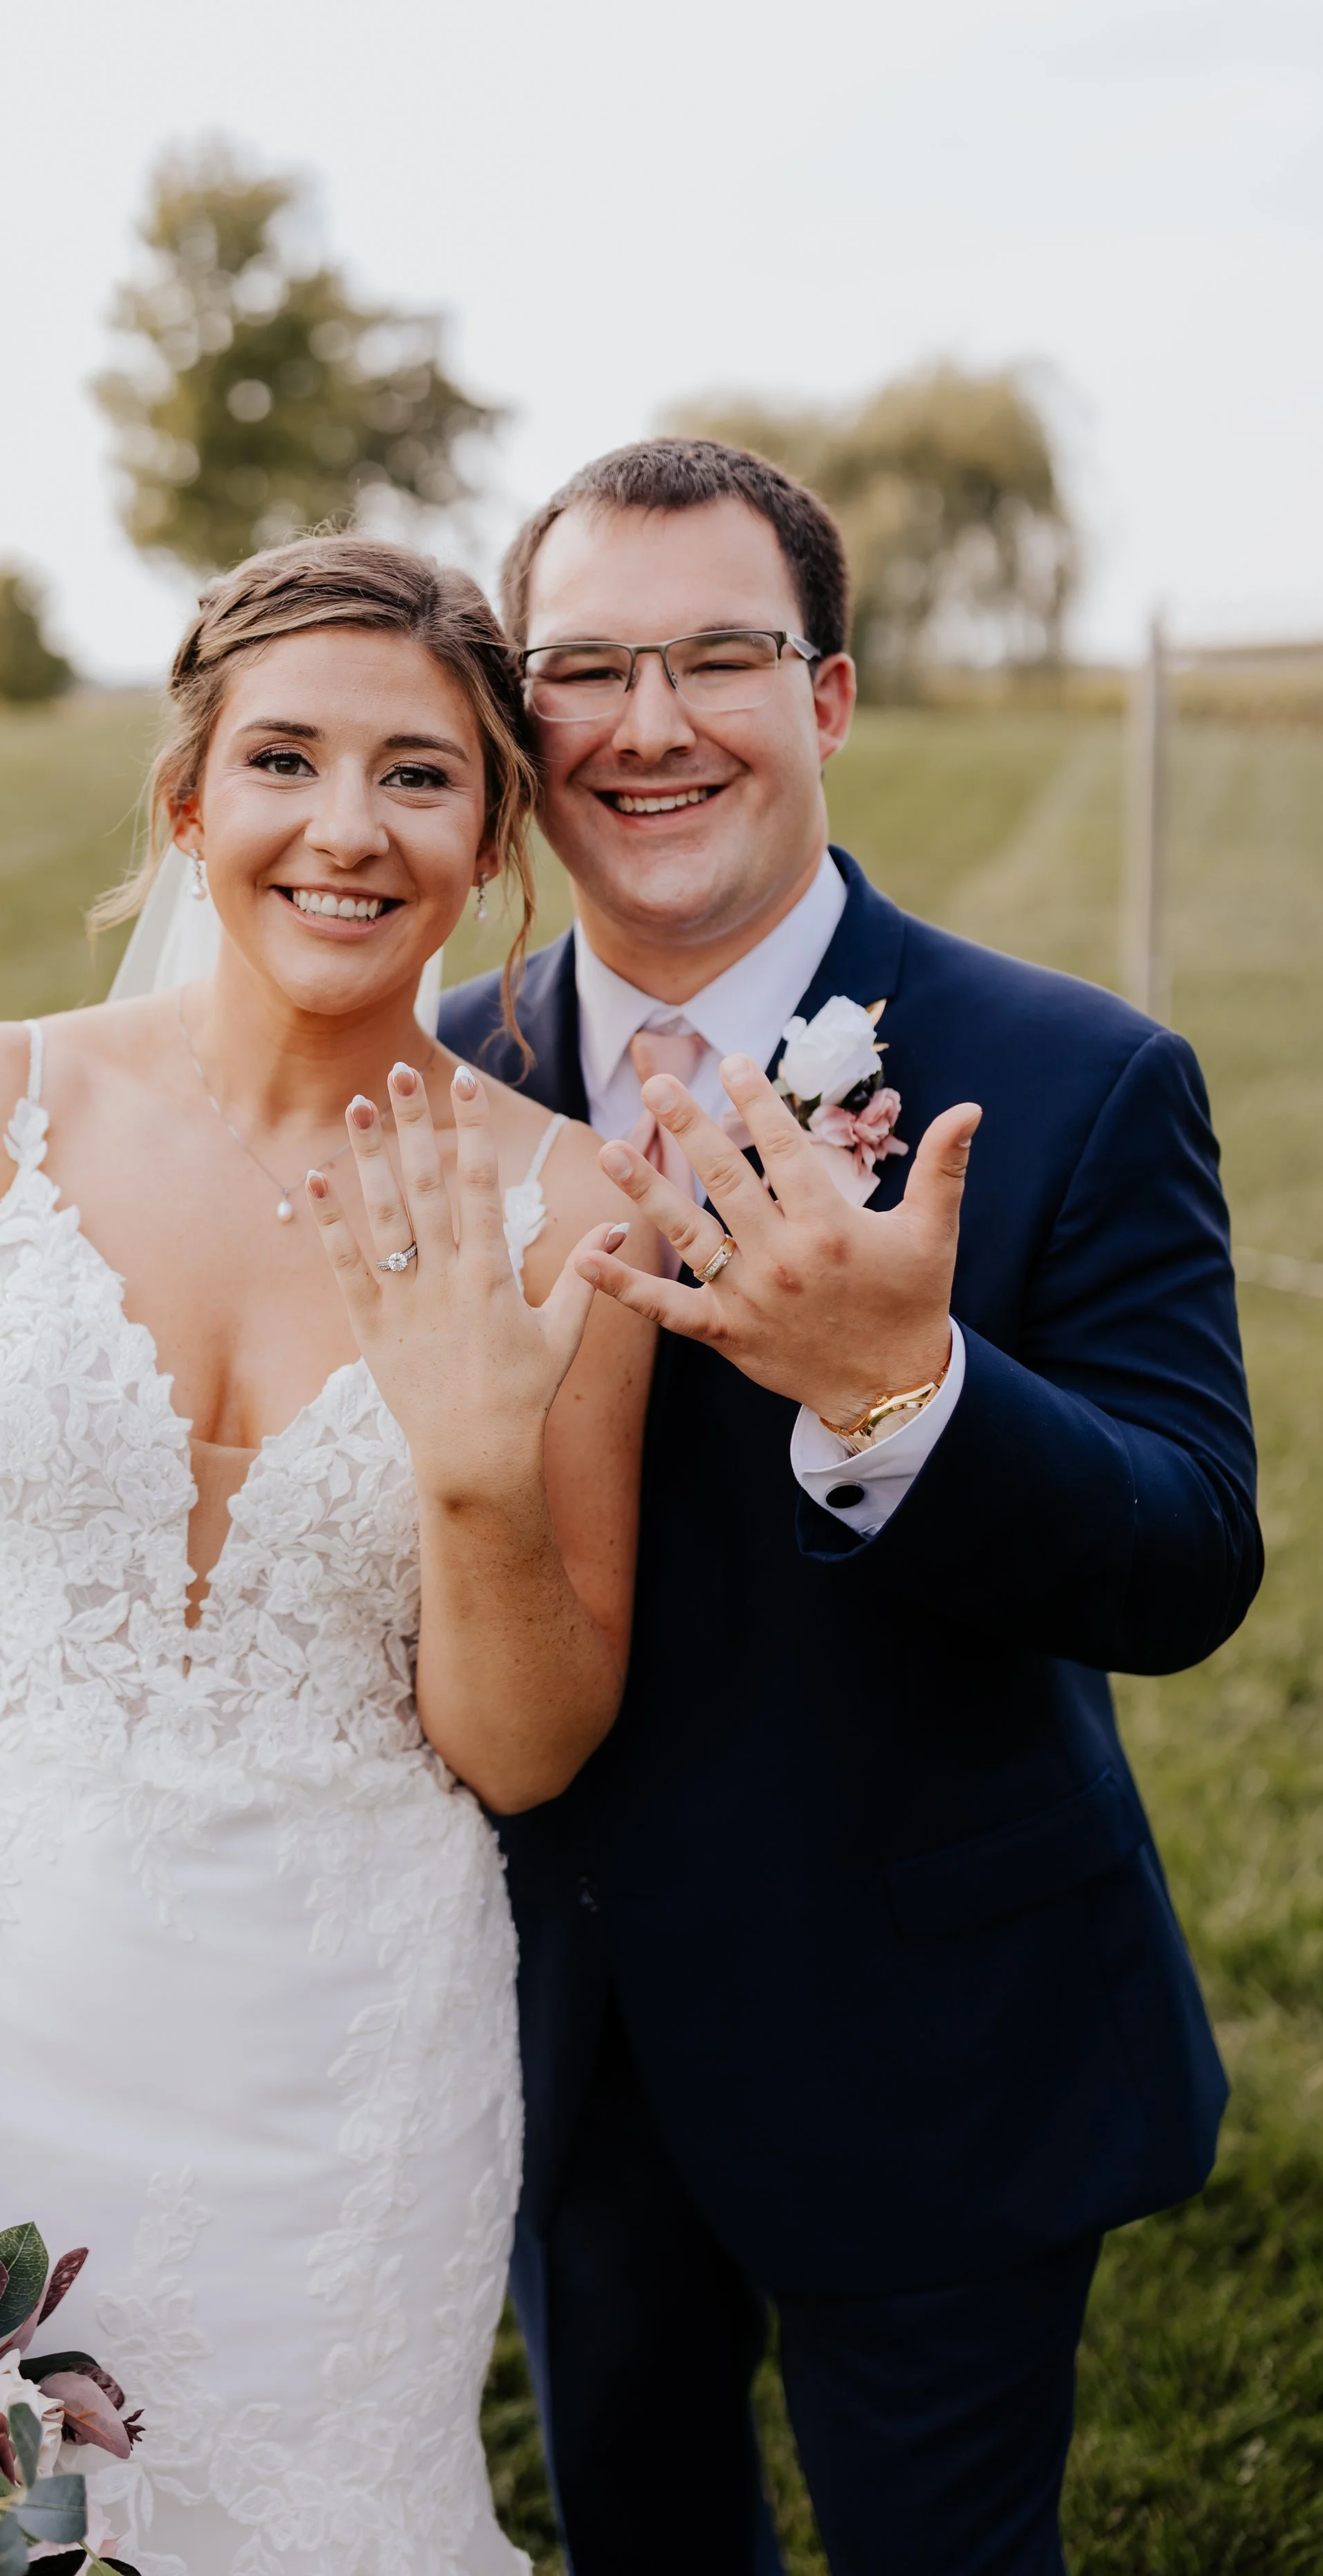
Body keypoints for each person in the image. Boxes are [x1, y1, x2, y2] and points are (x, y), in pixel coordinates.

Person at [0, 538, 657, 2576]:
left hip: (336, 2064)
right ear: (188, 796)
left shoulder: (564, 1211)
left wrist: (477, 1481)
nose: (343, 827)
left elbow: (528, 1746)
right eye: (284, 757)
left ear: (490, 843)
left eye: (418, 775)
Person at [441, 439, 1261, 2576]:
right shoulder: (427, 1079)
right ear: (519, 718)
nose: (646, 723)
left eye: (717, 655)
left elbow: (1183, 1561)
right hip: (551, 2038)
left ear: (825, 697)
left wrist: (904, 1391)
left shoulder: (1074, 1074)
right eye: (584, 668)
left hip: (937, 2035)